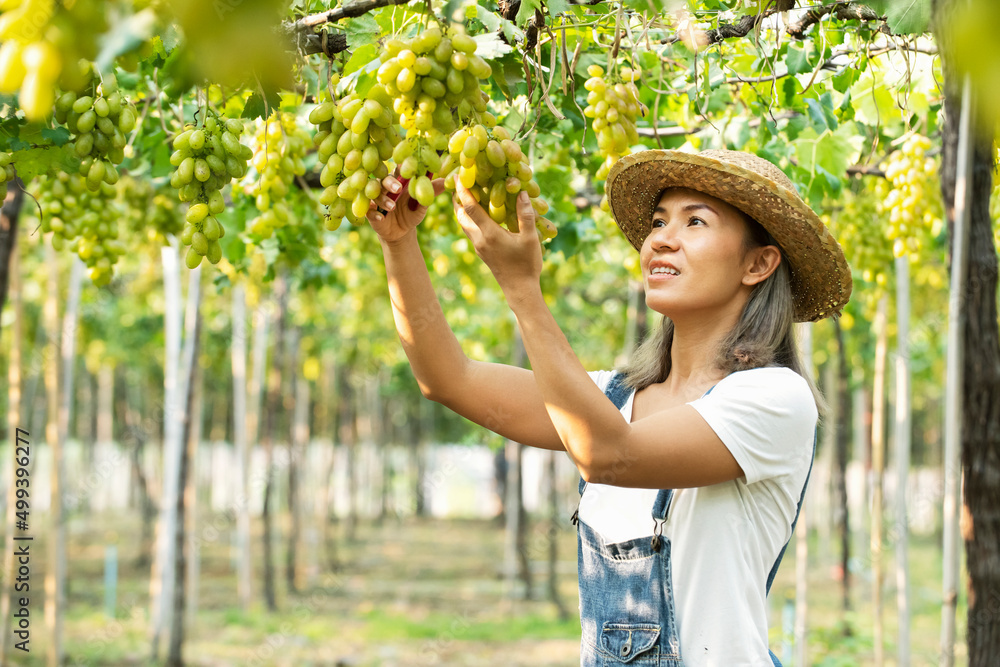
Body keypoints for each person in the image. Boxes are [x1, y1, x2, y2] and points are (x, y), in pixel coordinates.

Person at [365, 148, 852, 666]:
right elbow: (449, 379)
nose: (661, 238)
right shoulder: (611, 399)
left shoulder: (774, 398)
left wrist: (523, 290)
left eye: (695, 222)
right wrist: (399, 244)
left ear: (757, 264)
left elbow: (609, 456)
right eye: (660, 221)